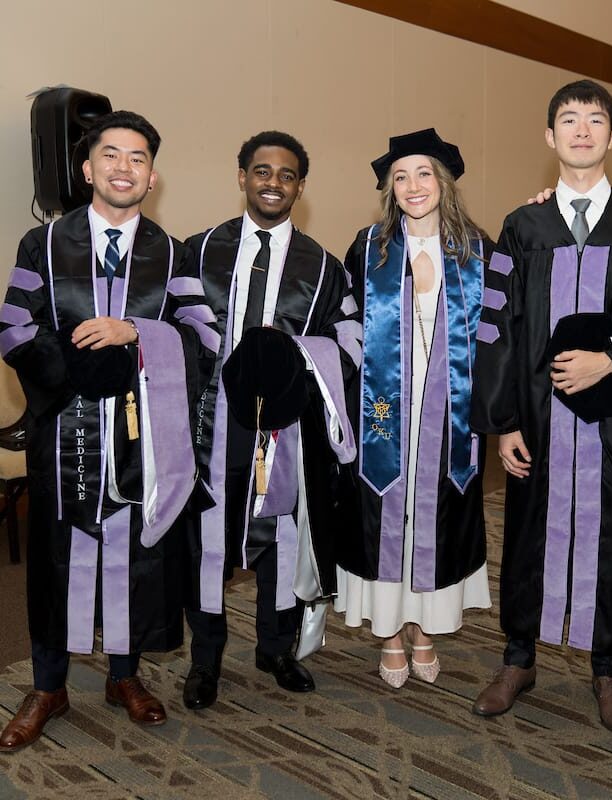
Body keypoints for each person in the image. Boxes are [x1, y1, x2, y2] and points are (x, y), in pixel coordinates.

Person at [0, 111, 216, 751]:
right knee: (55, 559)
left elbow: (204, 338)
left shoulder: (169, 252)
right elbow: (13, 328)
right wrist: (77, 370)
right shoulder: (41, 244)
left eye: (140, 158)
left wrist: (136, 335)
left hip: (141, 438)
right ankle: (48, 686)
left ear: (153, 176)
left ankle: (126, 676)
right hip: (62, 427)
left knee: (136, 557)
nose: (126, 167)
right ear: (88, 169)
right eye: (112, 156)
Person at [470, 81, 612, 734]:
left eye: (596, 120)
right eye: (569, 119)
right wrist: (501, 421)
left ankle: (608, 667)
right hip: (536, 415)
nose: (582, 130)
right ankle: (518, 656)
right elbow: (495, 327)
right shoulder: (523, 226)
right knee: (528, 530)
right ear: (549, 136)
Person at [182, 131, 359, 709]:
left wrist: (302, 370)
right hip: (214, 419)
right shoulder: (199, 251)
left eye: (286, 175)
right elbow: (175, 333)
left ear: (300, 187)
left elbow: (352, 340)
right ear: (242, 177)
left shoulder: (325, 267)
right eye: (262, 171)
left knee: (282, 533)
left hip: (285, 424)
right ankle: (204, 658)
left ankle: (276, 648)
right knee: (210, 536)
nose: (273, 183)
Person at [335, 128, 492, 688]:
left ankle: (423, 628)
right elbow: (346, 321)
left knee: (437, 512)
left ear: (443, 182)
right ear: (390, 189)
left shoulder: (477, 249)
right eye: (400, 177)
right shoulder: (370, 246)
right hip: (382, 403)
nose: (412, 185)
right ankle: (389, 634)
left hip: (449, 406)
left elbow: (497, 334)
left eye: (423, 173)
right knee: (384, 514)